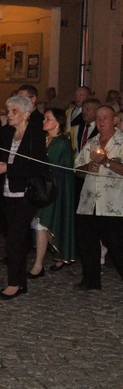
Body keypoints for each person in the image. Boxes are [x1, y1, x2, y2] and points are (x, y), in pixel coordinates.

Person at [0, 95, 46, 299]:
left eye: (14, 111)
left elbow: (36, 166)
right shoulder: (7, 133)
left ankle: (14, 283)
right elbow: (5, 157)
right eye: (8, 110)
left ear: (26, 114)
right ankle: (20, 282)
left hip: (26, 193)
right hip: (8, 191)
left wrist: (8, 167)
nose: (9, 114)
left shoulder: (35, 135)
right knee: (15, 237)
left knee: (14, 237)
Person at [73, 105, 123, 290]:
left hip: (113, 204)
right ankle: (91, 279)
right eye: (99, 118)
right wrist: (87, 168)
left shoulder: (121, 142)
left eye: (106, 117)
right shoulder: (92, 142)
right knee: (87, 242)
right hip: (89, 201)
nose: (101, 121)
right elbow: (76, 169)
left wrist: (107, 162)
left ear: (115, 120)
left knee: (116, 245)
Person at [29, 108, 75, 275]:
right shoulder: (44, 139)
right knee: (40, 225)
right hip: (41, 188)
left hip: (54, 190)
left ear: (57, 123)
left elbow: (57, 168)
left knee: (44, 225)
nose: (44, 121)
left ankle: (42, 263)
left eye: (48, 119)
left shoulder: (62, 142)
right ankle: (43, 261)